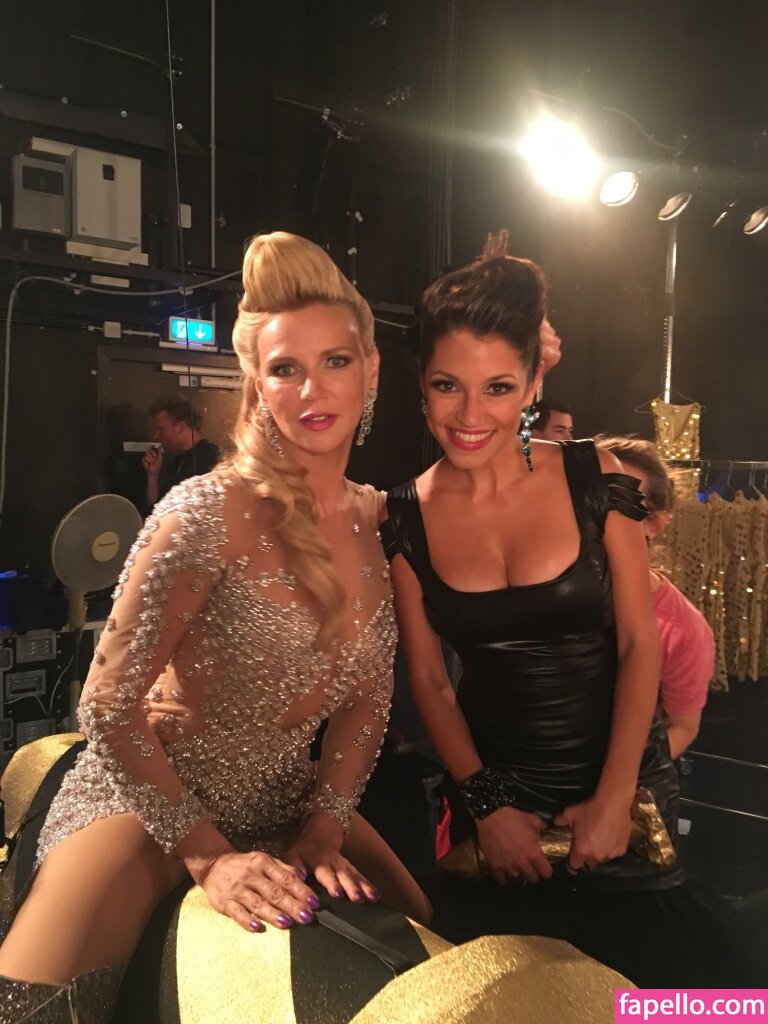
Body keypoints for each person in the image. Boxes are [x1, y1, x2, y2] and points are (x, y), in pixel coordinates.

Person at [0, 232, 430, 1020]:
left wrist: (326, 826)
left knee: (437, 944)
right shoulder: (204, 512)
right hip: (148, 802)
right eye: (286, 368)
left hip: (285, 799)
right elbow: (105, 704)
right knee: (34, 1007)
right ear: (257, 382)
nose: (313, 389)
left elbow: (369, 699)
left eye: (336, 361)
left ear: (371, 369)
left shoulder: (375, 519)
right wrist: (207, 856)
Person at [382, 231, 762, 987]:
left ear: (532, 385)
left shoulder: (597, 475)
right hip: (503, 813)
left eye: (497, 387)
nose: (469, 413)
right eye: (447, 385)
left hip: (627, 795)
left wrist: (616, 797)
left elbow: (639, 645)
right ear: (420, 382)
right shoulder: (404, 514)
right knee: (520, 995)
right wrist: (489, 808)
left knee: (666, 1000)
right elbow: (429, 681)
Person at [596, 436, 713, 758]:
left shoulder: (683, 629)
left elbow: (683, 726)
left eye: (618, 504)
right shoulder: (532, 592)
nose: (593, 515)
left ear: (655, 523)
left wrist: (622, 778)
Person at [142, 396, 220, 507]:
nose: (156, 436)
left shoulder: (213, 460)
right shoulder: (176, 462)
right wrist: (153, 475)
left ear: (181, 427)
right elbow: (157, 507)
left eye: (160, 429)